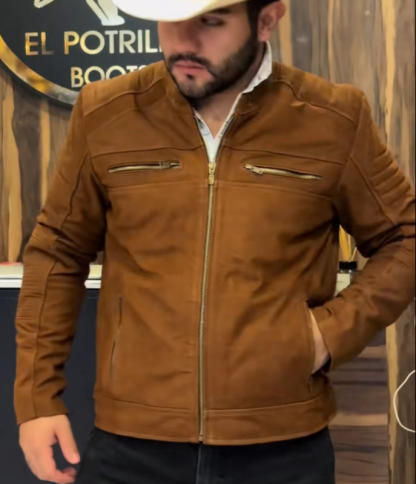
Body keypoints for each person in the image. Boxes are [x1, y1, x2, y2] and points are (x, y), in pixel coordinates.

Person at [15, 0, 416, 483]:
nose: (183, 41)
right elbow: (58, 251)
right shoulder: (106, 112)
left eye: (211, 21)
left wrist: (326, 335)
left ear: (267, 20)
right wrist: (37, 400)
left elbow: (404, 238)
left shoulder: (333, 117)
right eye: (171, 20)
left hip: (281, 450)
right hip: (131, 446)